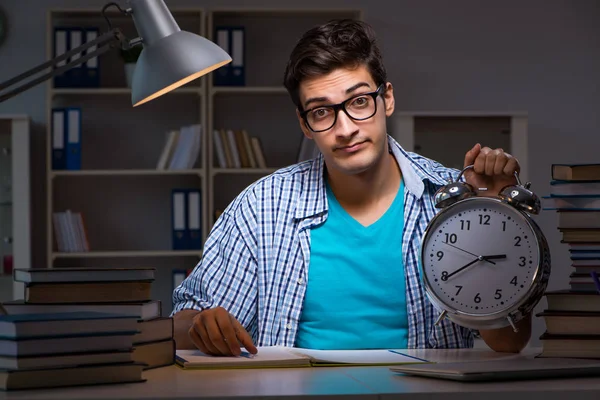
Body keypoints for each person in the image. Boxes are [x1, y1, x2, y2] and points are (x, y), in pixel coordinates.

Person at [171, 19, 530, 357]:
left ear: (386, 98)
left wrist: (497, 218)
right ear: (305, 124)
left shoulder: (454, 201)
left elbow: (508, 343)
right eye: (322, 112)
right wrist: (200, 324)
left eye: (359, 101)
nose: (345, 129)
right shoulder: (260, 207)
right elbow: (182, 323)